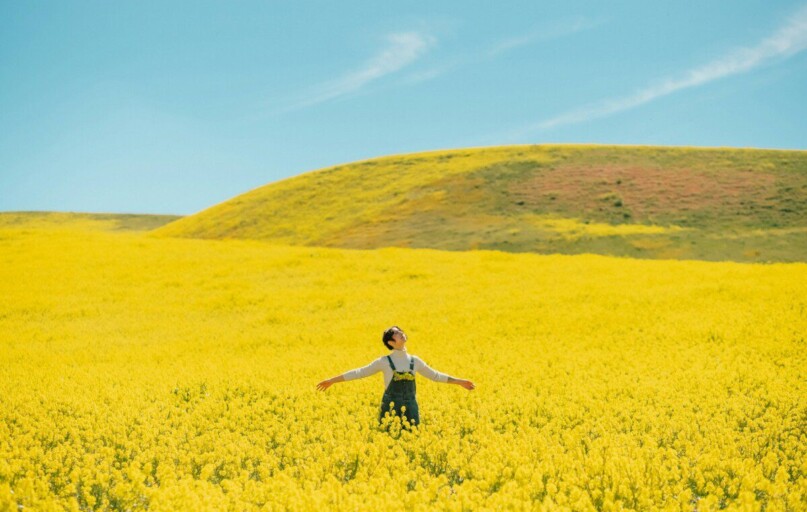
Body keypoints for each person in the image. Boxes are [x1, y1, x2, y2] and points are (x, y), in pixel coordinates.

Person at [316, 326, 475, 428]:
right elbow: (359, 372)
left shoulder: (415, 361)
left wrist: (460, 382)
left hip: (411, 407)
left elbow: (435, 376)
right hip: (390, 407)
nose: (402, 334)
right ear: (391, 342)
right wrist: (332, 381)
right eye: (397, 334)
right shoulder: (385, 362)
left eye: (401, 332)